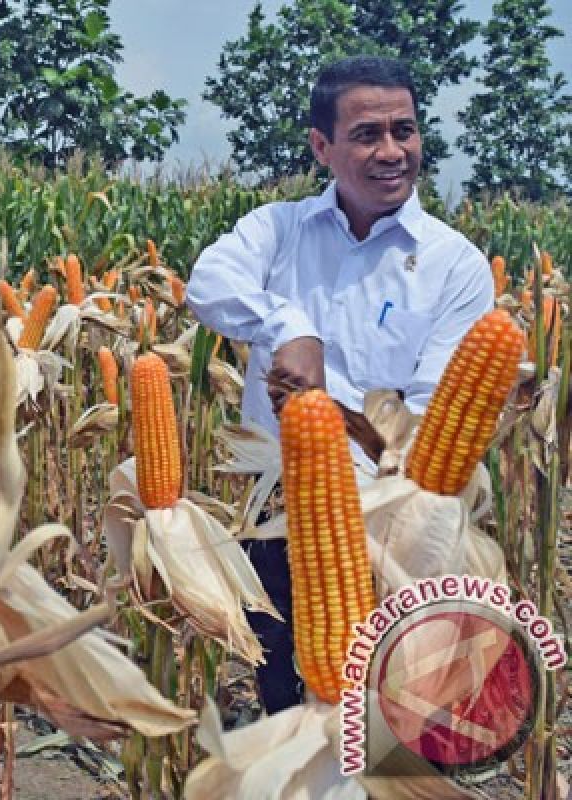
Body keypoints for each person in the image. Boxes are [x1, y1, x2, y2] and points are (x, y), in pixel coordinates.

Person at [185, 55, 494, 714]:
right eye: (367, 134)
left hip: (391, 526)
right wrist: (290, 324)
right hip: (274, 518)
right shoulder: (278, 231)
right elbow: (207, 284)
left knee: (387, 722)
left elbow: (430, 416)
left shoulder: (454, 266)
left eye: (404, 131)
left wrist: (328, 420)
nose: (392, 151)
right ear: (321, 145)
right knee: (285, 706)